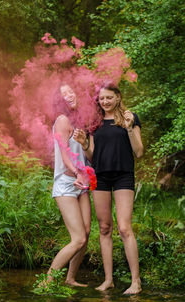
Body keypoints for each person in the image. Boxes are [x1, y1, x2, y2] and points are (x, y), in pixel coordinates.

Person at [74, 81, 144, 294]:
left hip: (123, 175)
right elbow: (93, 156)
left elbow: (139, 152)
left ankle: (136, 282)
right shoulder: (94, 123)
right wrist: (85, 144)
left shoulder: (129, 118)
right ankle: (108, 280)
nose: (105, 101)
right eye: (102, 98)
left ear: (118, 97)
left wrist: (130, 128)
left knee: (124, 227)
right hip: (100, 178)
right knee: (104, 228)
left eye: (109, 97)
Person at [46, 84, 91, 287]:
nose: (69, 95)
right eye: (64, 93)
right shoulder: (62, 121)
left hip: (81, 182)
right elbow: (64, 155)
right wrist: (77, 173)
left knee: (87, 232)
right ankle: (45, 283)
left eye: (71, 91)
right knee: (78, 238)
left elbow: (85, 152)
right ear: (59, 100)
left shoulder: (80, 120)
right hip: (66, 182)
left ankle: (70, 278)